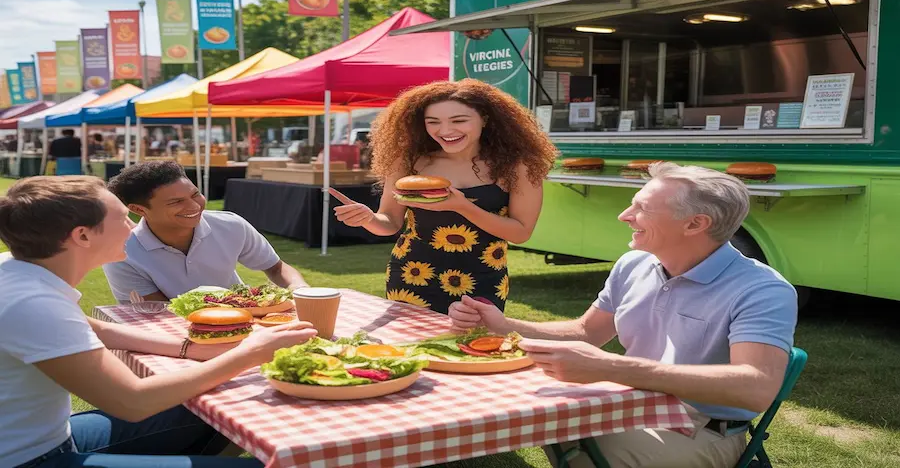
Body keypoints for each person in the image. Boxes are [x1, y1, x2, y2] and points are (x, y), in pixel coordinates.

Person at [448, 162, 798, 468]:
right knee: (528, 414)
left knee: (565, 440)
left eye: (642, 208)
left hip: (702, 430)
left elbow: (755, 388)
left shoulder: (762, 289)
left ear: (695, 224)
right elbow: (587, 332)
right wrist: (502, 324)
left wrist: (609, 367)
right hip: (629, 406)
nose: (624, 216)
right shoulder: (635, 264)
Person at [0, 176, 317, 467]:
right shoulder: (34, 303)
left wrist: (189, 348)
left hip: (50, 437)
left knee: (211, 408)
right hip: (31, 459)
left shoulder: (16, 270)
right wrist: (251, 353)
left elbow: (91, 327)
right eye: (122, 218)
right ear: (82, 235)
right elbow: (133, 401)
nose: (133, 227)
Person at [334, 79, 557, 314]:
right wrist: (368, 218)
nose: (445, 131)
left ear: (485, 119)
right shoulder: (409, 161)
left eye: (459, 121)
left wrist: (462, 206)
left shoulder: (518, 167)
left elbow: (520, 233)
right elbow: (389, 222)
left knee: (476, 338)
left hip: (483, 278)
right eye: (433, 122)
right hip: (412, 274)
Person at [102, 161, 309, 304]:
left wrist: (299, 288)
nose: (194, 206)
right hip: (170, 334)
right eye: (176, 202)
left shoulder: (231, 225)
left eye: (195, 194)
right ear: (139, 209)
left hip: (244, 318)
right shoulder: (120, 253)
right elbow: (159, 312)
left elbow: (275, 268)